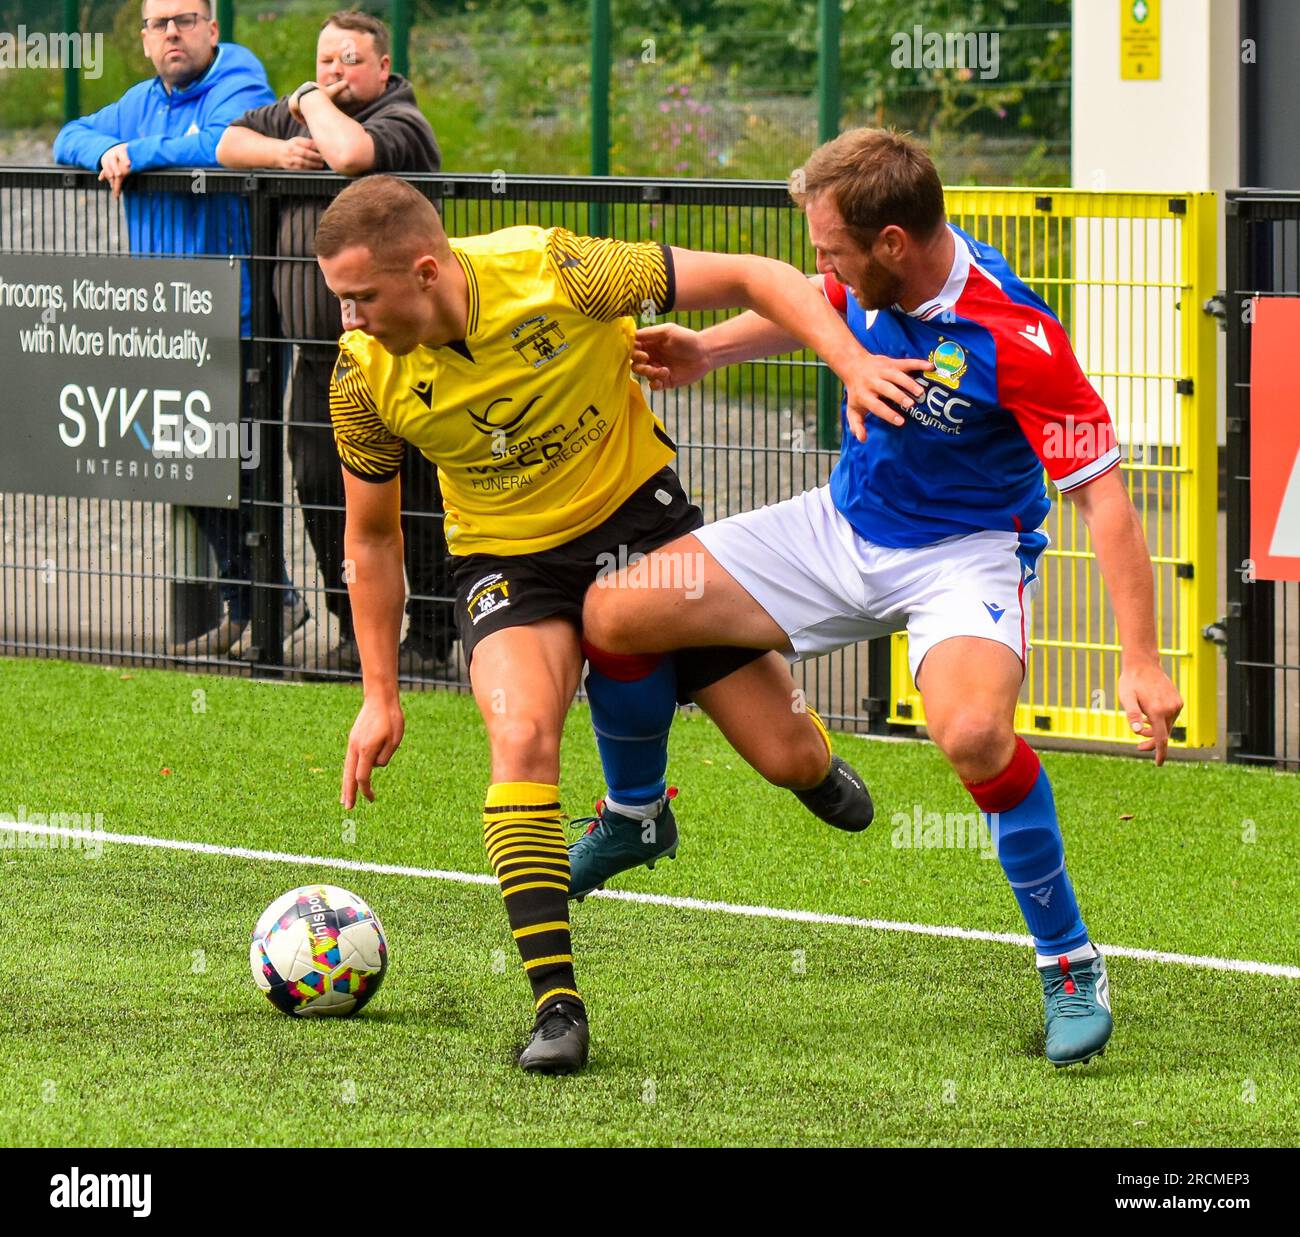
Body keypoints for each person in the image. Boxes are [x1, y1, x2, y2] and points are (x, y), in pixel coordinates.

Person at [582, 128, 1185, 1069]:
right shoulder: (867, 277)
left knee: (975, 736)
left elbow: (1104, 494)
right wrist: (708, 349)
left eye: (832, 247)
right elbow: (808, 305)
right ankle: (635, 814)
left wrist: (1141, 661)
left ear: (893, 243)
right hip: (838, 527)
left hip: (965, 559)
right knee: (616, 612)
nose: (821, 264)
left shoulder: (1019, 340)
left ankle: (1068, 959)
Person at [316, 175, 920, 1074]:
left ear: (427, 270)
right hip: (509, 566)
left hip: (644, 533)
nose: (350, 319)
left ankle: (801, 763)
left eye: (361, 297)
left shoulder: (561, 270)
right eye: (341, 300)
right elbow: (368, 539)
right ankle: (557, 1007)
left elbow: (761, 274)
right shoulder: (361, 377)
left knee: (785, 756)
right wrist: (378, 695)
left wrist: (850, 364)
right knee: (519, 733)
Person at [53, 0, 305, 659]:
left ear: (212, 30)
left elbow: (219, 142)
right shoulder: (138, 99)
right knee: (178, 466)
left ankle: (268, 614)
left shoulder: (239, 75)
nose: (173, 32)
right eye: (160, 23)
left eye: (187, 19)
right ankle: (260, 600)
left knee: (242, 465)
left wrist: (136, 154)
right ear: (143, 39)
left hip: (238, 318)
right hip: (161, 321)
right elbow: (68, 136)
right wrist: (107, 147)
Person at [217, 10, 453, 675]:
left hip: (401, 354)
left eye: (349, 60)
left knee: (416, 498)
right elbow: (226, 144)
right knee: (323, 493)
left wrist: (308, 101)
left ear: (384, 68)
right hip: (319, 360)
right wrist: (280, 151)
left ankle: (432, 637)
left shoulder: (401, 124)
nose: (332, 73)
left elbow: (350, 155)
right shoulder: (301, 120)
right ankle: (356, 631)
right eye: (324, 62)